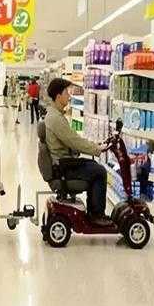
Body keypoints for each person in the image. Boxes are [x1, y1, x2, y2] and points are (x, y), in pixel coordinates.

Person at [44, 78, 111, 225]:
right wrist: (96, 149)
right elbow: (74, 141)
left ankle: (93, 212)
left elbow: (72, 139)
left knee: (94, 167)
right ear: (58, 96)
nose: (69, 96)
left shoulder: (55, 115)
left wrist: (94, 145)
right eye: (66, 93)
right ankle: (97, 215)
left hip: (64, 162)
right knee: (99, 172)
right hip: (64, 167)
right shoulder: (56, 119)